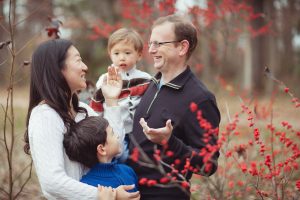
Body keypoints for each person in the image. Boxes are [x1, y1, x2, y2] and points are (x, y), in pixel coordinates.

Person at [24, 39, 140, 200]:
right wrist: (108, 195)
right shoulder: (45, 116)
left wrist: (112, 100)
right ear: (57, 69)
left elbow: (114, 144)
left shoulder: (82, 111)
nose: (85, 67)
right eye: (78, 60)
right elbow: (52, 182)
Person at [126, 14, 221, 200]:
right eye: (150, 43)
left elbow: (208, 165)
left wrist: (170, 142)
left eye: (159, 44)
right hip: (130, 191)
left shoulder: (200, 99)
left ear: (182, 47)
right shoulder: (151, 84)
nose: (151, 50)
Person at [91, 28, 151, 162]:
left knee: (138, 159)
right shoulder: (105, 79)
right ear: (110, 54)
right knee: (120, 156)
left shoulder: (145, 79)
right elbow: (97, 105)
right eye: (116, 53)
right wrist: (97, 127)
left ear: (139, 55)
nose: (121, 57)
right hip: (113, 130)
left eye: (127, 53)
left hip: (137, 131)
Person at [63, 116, 138, 192]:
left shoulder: (127, 170)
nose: (117, 136)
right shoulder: (88, 187)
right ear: (102, 149)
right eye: (112, 133)